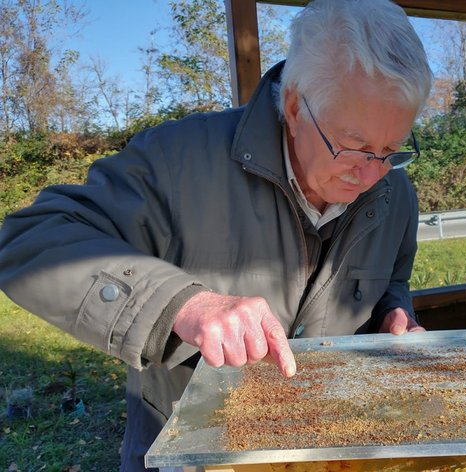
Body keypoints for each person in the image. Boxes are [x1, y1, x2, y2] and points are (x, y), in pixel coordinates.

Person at [0, 0, 433, 470]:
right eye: (354, 148)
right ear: (294, 106)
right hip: (189, 453)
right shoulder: (175, 160)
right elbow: (30, 240)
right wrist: (185, 306)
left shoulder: (396, 192)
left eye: (391, 150)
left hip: (332, 450)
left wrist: (395, 313)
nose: (371, 175)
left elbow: (393, 279)